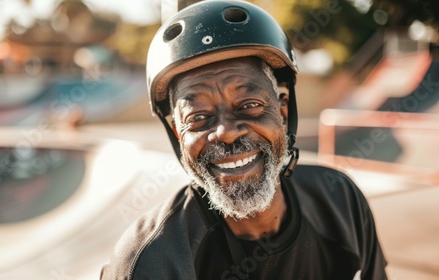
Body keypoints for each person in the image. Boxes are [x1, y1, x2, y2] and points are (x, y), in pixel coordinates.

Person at [102, 1, 387, 279]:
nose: (226, 132)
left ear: (283, 112)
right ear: (179, 136)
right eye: (198, 117)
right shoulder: (149, 264)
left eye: (249, 104)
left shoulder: (341, 201)